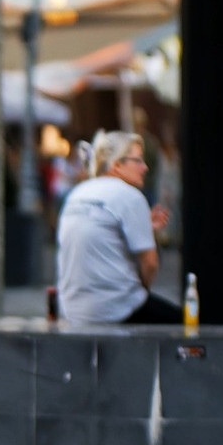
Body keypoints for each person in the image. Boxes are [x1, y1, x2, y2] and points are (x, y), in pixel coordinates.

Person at [55, 130, 181, 325]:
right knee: (188, 327)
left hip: (73, 311)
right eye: (138, 160)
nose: (145, 167)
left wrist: (144, 226)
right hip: (115, 309)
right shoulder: (130, 196)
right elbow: (150, 264)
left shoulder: (77, 194)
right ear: (116, 164)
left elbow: (101, 238)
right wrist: (142, 291)